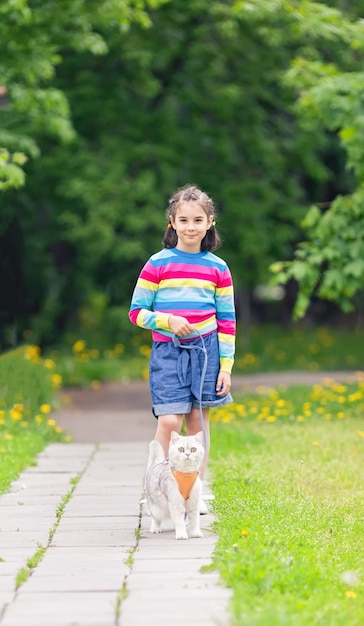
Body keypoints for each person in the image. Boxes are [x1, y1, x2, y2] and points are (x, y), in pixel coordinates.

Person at [128, 184, 236, 510]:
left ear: (210, 222)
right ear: (172, 223)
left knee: (196, 422)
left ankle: (192, 493)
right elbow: (137, 313)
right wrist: (168, 320)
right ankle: (155, 490)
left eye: (198, 220)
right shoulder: (157, 264)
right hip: (169, 352)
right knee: (170, 422)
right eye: (184, 220)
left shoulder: (218, 268)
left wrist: (227, 367)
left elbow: (228, 322)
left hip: (206, 353)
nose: (191, 227)